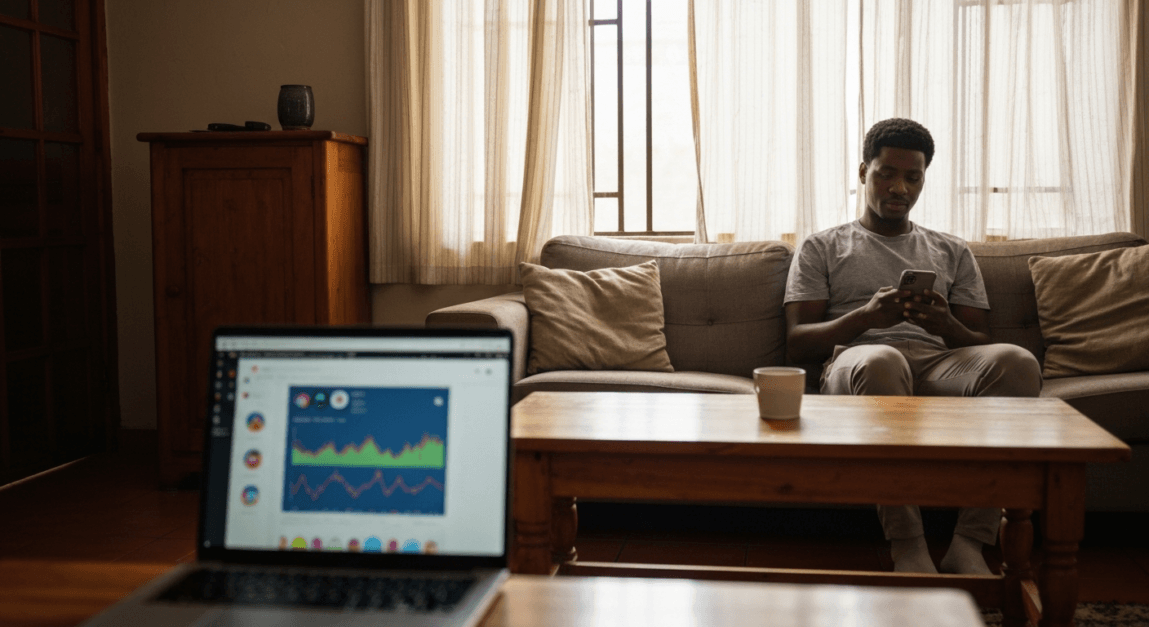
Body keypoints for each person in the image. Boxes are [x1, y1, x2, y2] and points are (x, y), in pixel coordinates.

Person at [783, 118, 1042, 575]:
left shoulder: (951, 250)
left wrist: (945, 325)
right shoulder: (822, 247)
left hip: (938, 364)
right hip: (859, 364)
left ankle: (970, 543)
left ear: (923, 179)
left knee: (1018, 362)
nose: (899, 188)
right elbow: (797, 344)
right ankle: (908, 546)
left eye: (912, 177)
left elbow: (979, 340)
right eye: (886, 174)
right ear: (863, 172)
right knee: (882, 360)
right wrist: (864, 318)